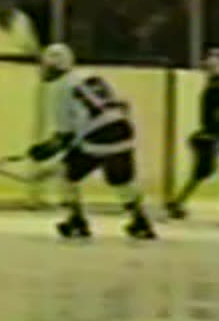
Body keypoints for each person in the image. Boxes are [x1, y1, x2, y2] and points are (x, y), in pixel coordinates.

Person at [26, 44, 157, 240]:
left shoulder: (59, 88)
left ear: (54, 66)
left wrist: (44, 150)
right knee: (121, 180)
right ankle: (140, 220)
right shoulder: (89, 75)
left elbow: (65, 135)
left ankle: (76, 220)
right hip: (122, 128)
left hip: (98, 135)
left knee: (67, 173)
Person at [166, 51, 219, 219]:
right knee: (203, 170)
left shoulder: (217, 87)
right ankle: (178, 201)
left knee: (203, 170)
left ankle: (178, 201)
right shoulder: (218, 87)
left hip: (218, 134)